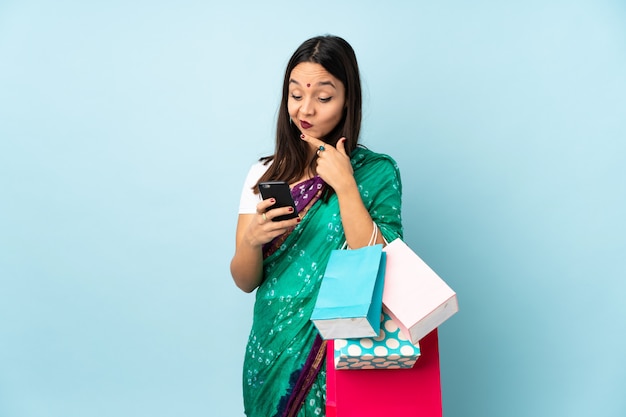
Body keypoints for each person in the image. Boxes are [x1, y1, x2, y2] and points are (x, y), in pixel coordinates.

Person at [230, 35, 403, 417]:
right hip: (273, 344)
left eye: (323, 98)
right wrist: (251, 242)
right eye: (295, 95)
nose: (305, 109)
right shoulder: (264, 173)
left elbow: (383, 264)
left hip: (343, 344)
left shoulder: (376, 173)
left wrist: (345, 185)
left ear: (347, 101)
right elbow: (244, 281)